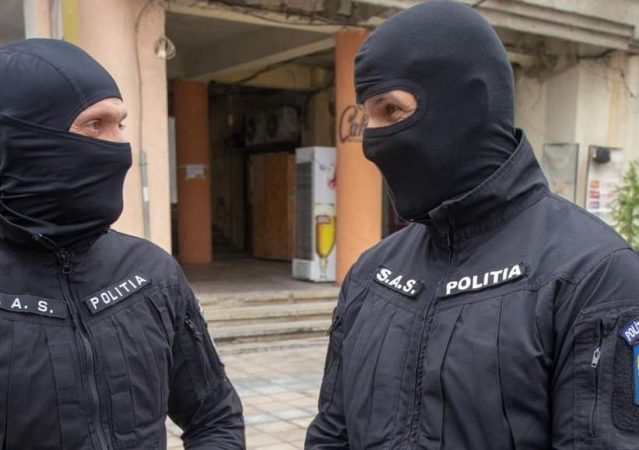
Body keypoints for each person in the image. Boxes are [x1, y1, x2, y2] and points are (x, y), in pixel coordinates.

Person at [306, 1, 639, 449]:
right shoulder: (371, 274)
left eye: (391, 111)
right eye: (368, 115)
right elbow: (330, 434)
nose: (371, 139)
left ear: (467, 104)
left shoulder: (595, 276)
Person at [0, 38, 245, 449]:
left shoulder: (152, 273)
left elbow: (214, 414)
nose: (119, 147)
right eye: (95, 125)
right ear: (19, 141)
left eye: (120, 124)